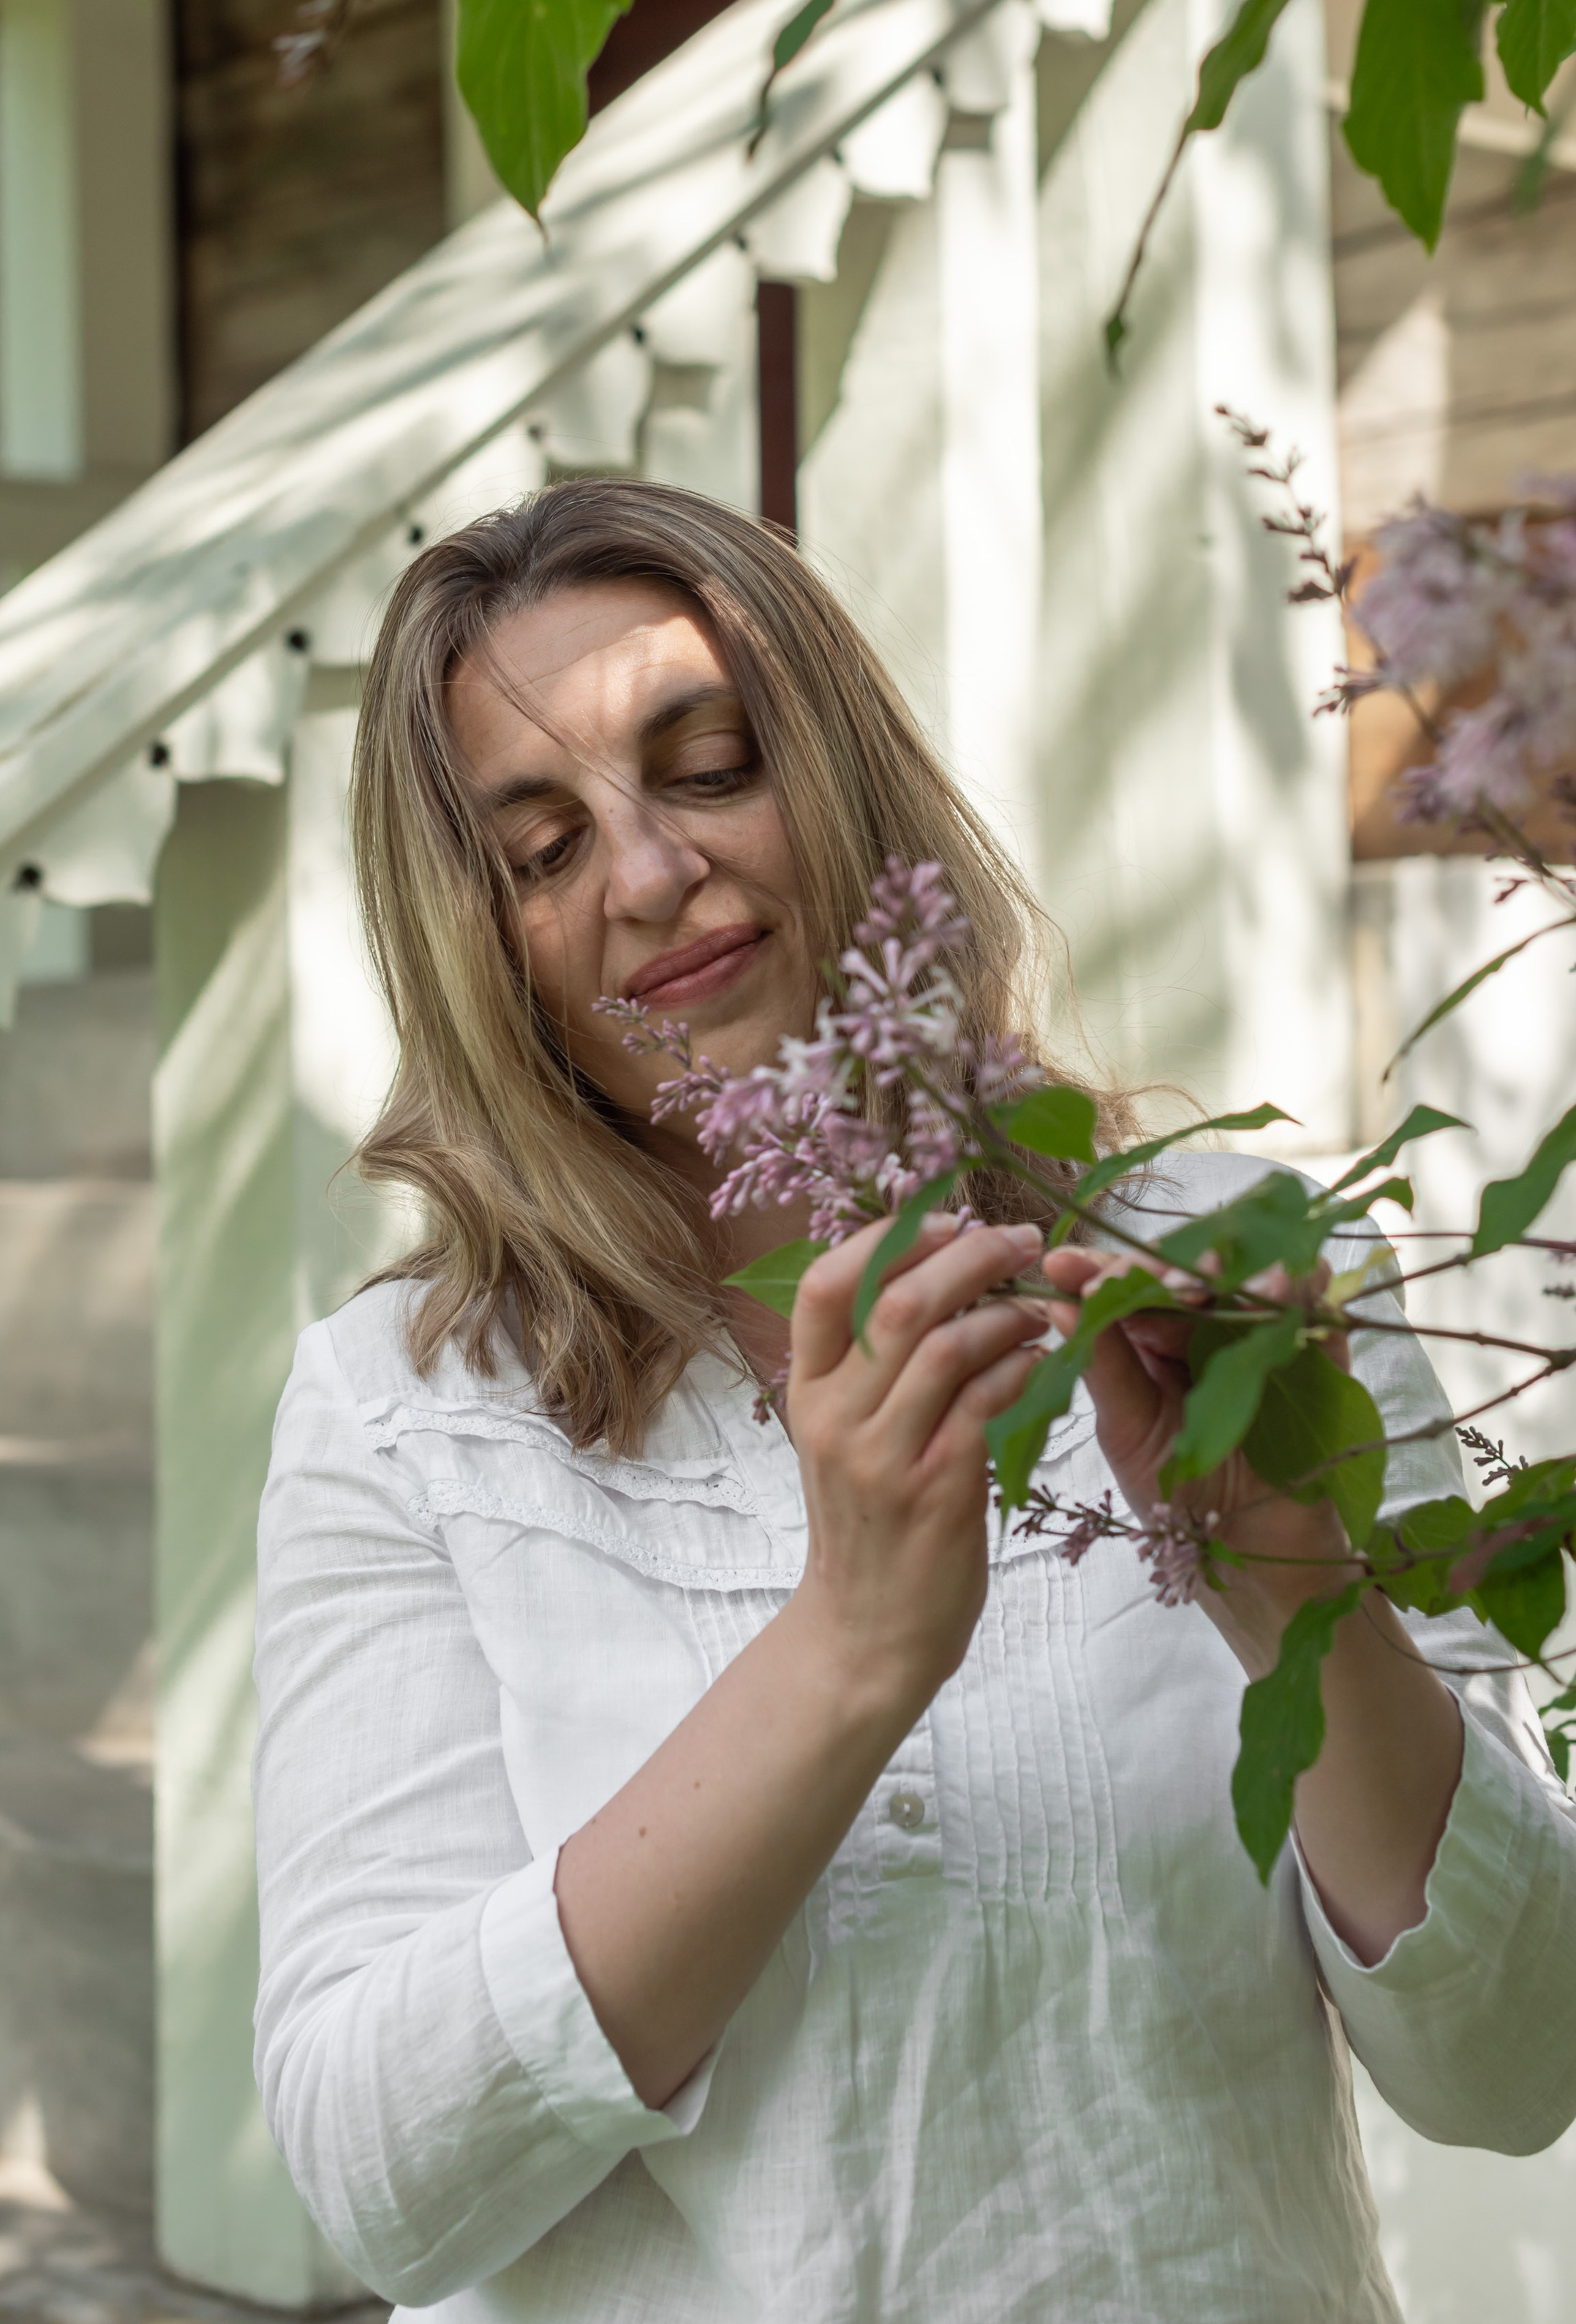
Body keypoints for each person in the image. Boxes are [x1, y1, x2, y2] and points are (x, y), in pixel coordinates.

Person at [253, 480, 1576, 2322]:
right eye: (542, 852)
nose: (645, 875)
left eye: (706, 761)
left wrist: (1294, 1579)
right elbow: (375, 2178)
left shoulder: (1233, 1276)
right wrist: (848, 1647)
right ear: (491, 956)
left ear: (846, 774)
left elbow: (1514, 2068)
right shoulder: (413, 1413)